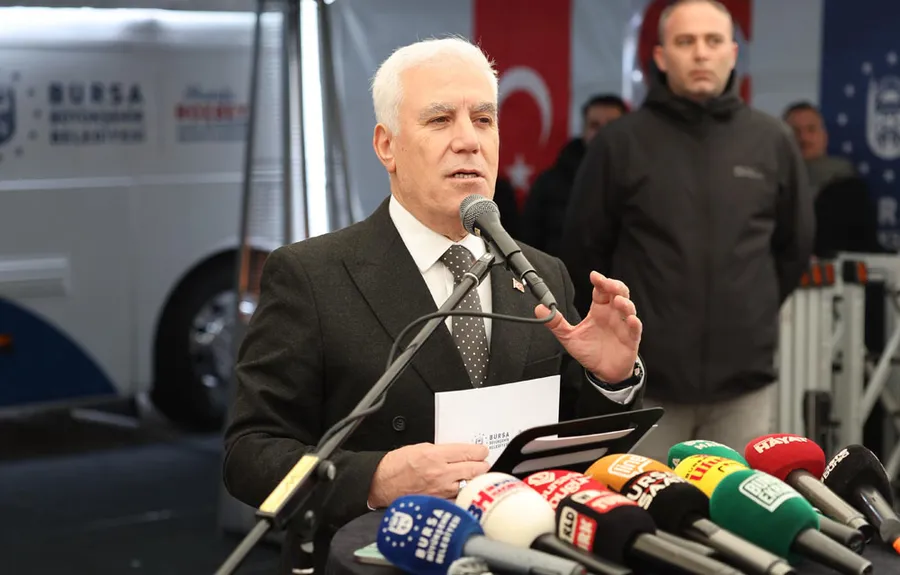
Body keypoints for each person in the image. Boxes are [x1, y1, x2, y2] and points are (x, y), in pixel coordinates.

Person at [223, 37, 646, 574]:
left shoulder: (543, 274)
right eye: (440, 120)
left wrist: (609, 381)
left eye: (484, 120)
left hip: (519, 559)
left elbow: (577, 453)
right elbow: (250, 455)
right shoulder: (312, 275)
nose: (468, 141)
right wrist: (374, 479)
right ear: (387, 146)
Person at [561, 0, 814, 461]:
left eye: (713, 41)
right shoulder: (620, 144)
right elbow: (584, 253)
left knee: (738, 507)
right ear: (660, 57)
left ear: (733, 53)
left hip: (743, 387)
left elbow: (793, 248)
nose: (701, 53)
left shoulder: (772, 141)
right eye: (686, 41)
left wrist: (748, 314)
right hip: (648, 389)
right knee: (650, 507)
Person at [519, 94, 629, 257]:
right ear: (583, 130)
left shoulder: (640, 181)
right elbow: (529, 246)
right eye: (595, 125)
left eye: (612, 126)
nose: (603, 134)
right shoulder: (550, 183)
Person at [783, 101, 881, 256]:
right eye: (795, 131)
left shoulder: (850, 187)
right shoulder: (769, 181)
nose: (804, 137)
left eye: (811, 129)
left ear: (824, 136)